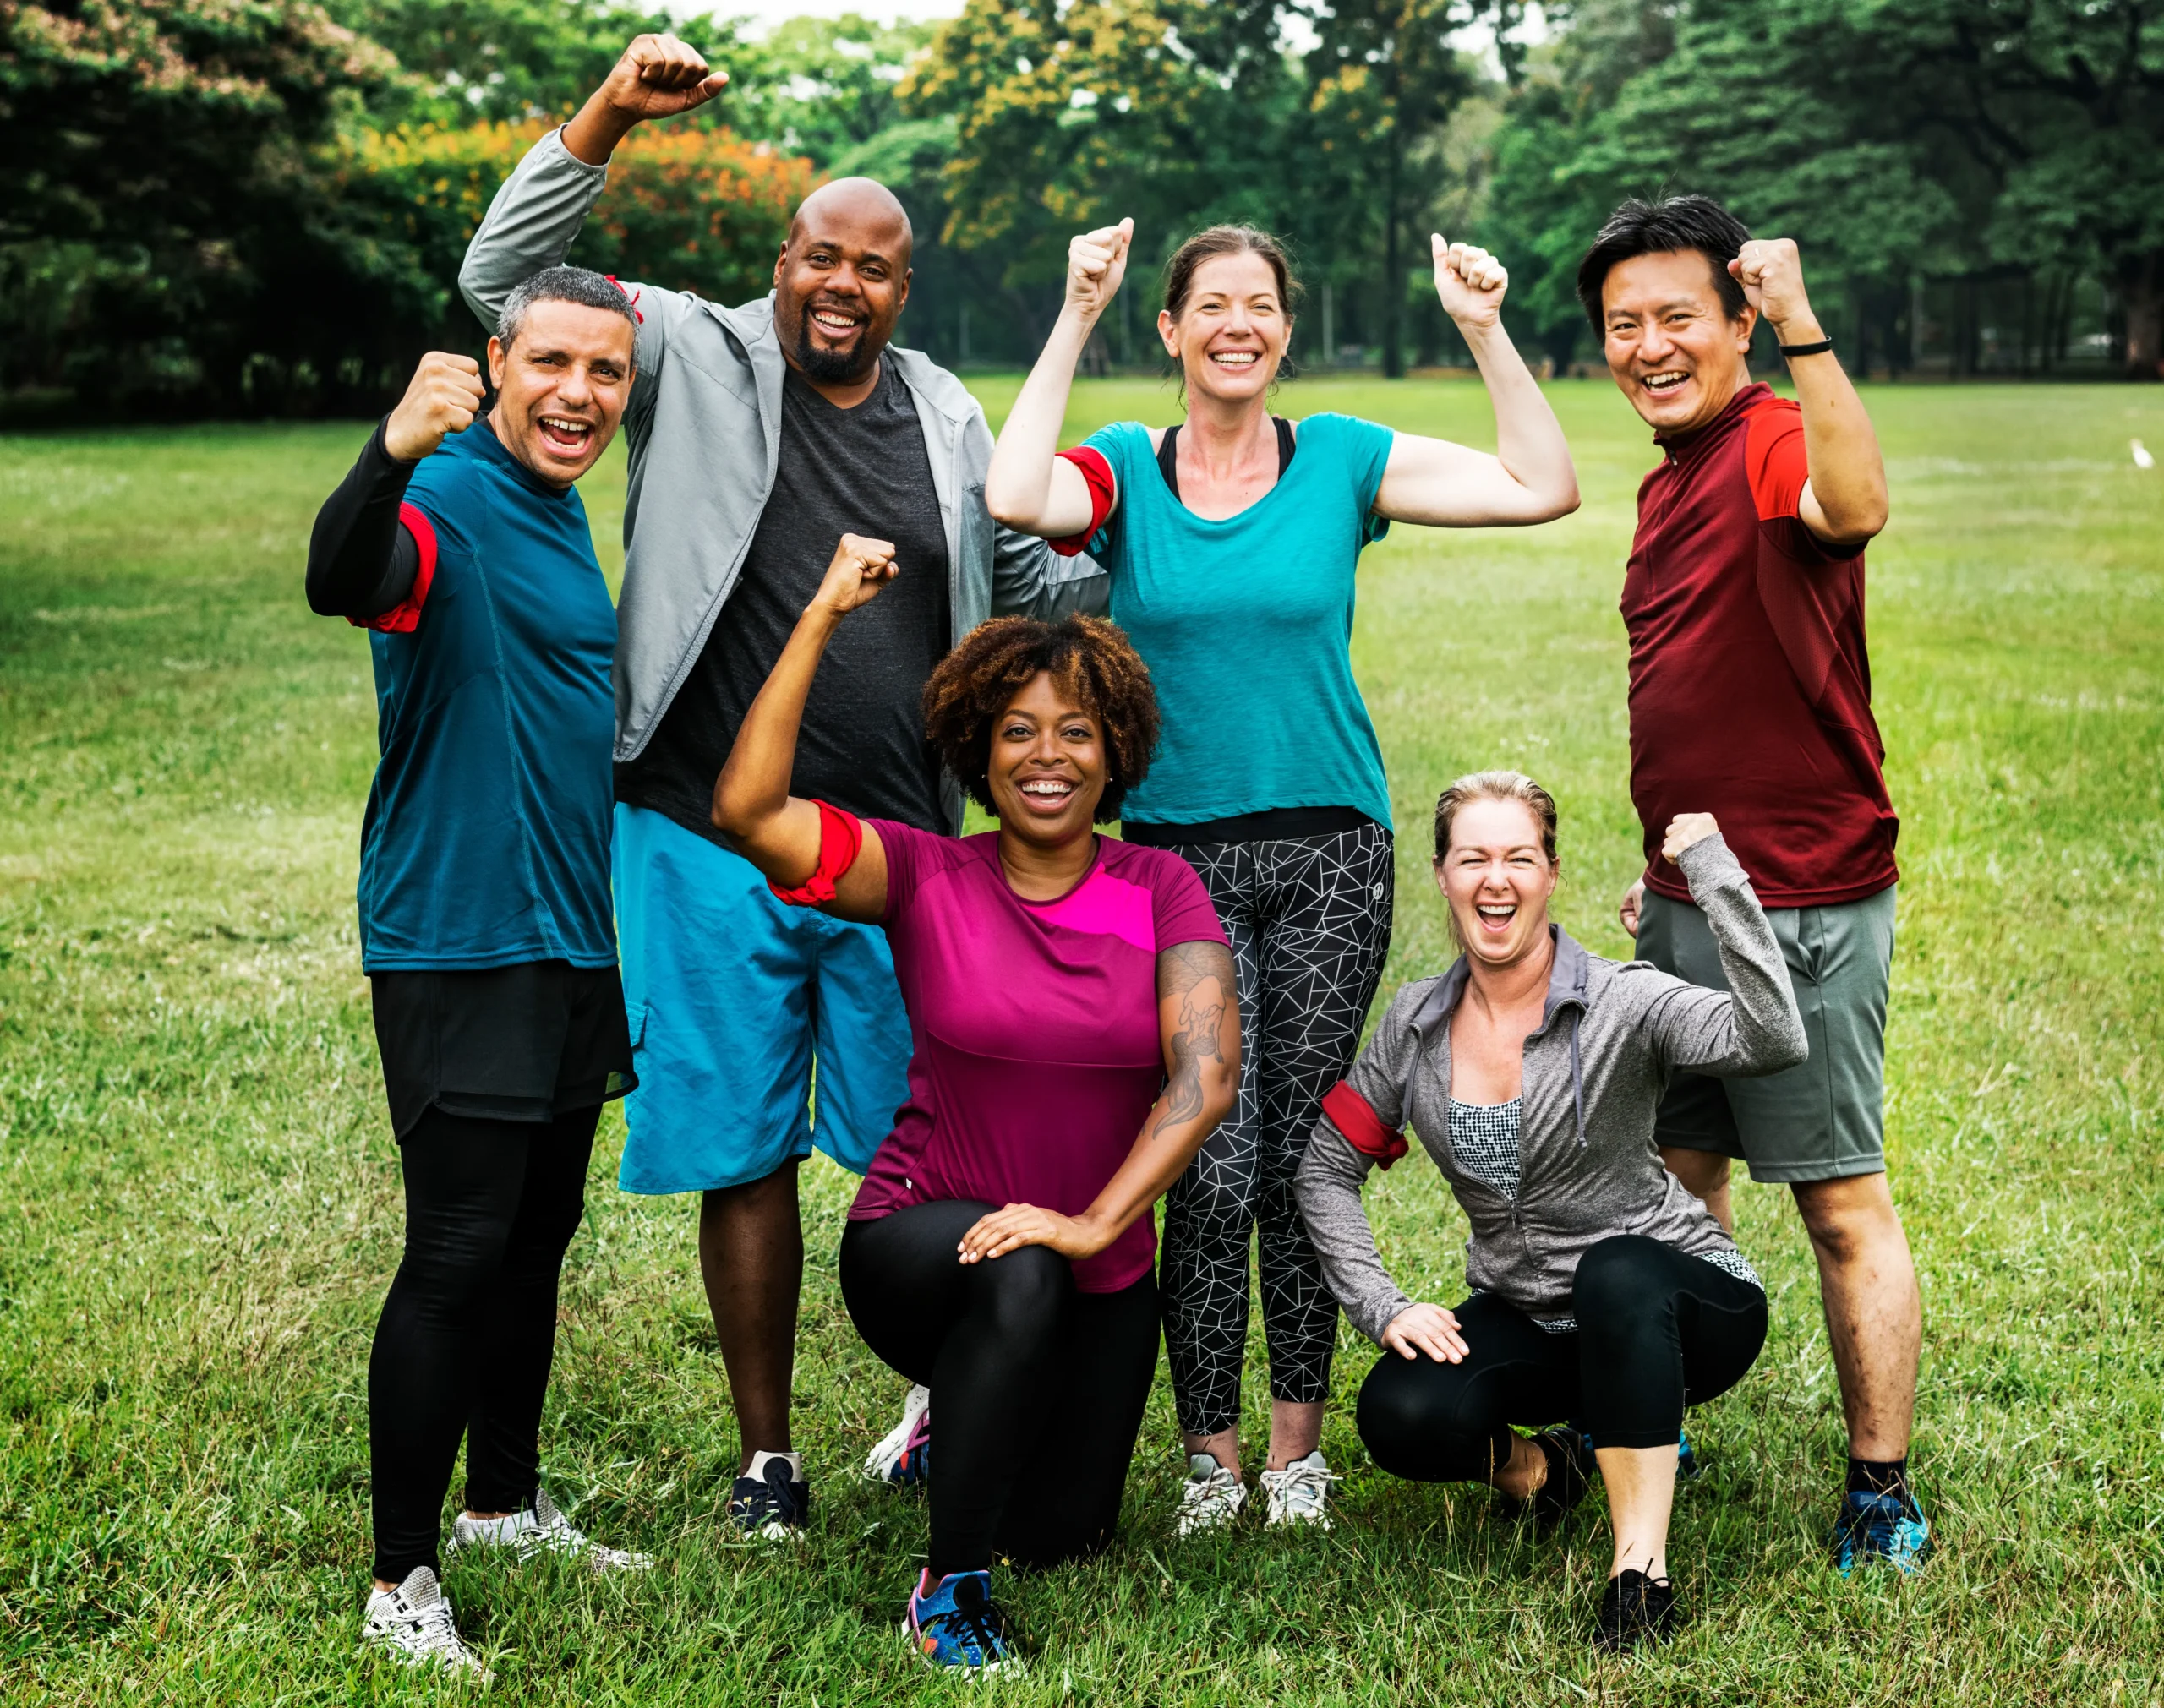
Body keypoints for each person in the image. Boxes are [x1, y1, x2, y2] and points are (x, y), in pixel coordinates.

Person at [456, 34, 1105, 1535]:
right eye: (821, 258)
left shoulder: (946, 412)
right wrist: (608, 112)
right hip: (699, 831)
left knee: (926, 1142)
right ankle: (768, 1459)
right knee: (742, 1145)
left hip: (896, 853)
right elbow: (507, 285)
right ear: (783, 262)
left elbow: (1028, 569)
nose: (843, 286)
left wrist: (1151, 561)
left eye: (874, 269)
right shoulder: (690, 346)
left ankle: (944, 1411)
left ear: (901, 289)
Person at [984, 219, 1580, 1533]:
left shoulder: (1343, 460)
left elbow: (1542, 485)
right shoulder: (1126, 469)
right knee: (1206, 1153)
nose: (1238, 325)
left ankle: (1299, 1455)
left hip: (1329, 854)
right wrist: (1078, 305)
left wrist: (1483, 327)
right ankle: (1212, 1459)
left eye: (1261, 304)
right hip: (1175, 861)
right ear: (1174, 329)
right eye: (1212, 306)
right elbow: (1012, 493)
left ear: (1284, 330)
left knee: (1300, 1154)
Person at [708, 536, 1241, 1672]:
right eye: (1017, 732)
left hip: (1096, 1265)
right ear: (975, 751)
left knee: (1067, 1534)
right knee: (1019, 1268)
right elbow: (749, 811)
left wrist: (1097, 1221)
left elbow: (1207, 1077)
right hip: (922, 1239)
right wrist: (818, 616)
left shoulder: (1164, 887)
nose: (1046, 758)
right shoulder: (923, 873)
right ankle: (946, 1590)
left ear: (1117, 754)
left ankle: (959, 1420)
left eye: (1075, 733)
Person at [304, 267, 654, 1678]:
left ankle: (502, 1503)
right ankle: (401, 1579)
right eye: (553, 363)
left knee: (536, 1236)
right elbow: (341, 576)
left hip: (569, 933)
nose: (579, 395)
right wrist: (387, 447)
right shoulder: (443, 492)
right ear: (497, 363)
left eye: (608, 374)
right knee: (457, 1248)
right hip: (463, 933)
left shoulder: (559, 512)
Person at [1579, 195, 1927, 1574]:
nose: (1650, 346)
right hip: (1692, 896)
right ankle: (1677, 1414)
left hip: (1798, 899)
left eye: (1679, 317)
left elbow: (1857, 505)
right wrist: (1664, 865)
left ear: (1735, 323)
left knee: (1837, 1197)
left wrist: (1803, 324)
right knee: (1680, 1175)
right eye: (1624, 325)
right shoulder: (1674, 471)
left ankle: (1881, 1489)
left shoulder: (1774, 430)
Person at [1295, 772, 1806, 1649]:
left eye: (1518, 857)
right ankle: (1546, 1466)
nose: (1496, 879)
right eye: (1473, 858)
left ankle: (1637, 1570)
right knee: (1399, 1411)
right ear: (1442, 875)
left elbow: (1772, 1037)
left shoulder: (1621, 998)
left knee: (1614, 1271)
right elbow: (1323, 1168)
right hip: (1535, 1313)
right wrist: (1381, 1304)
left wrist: (1717, 876)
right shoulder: (1414, 1025)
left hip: (1682, 1306)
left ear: (1551, 872)